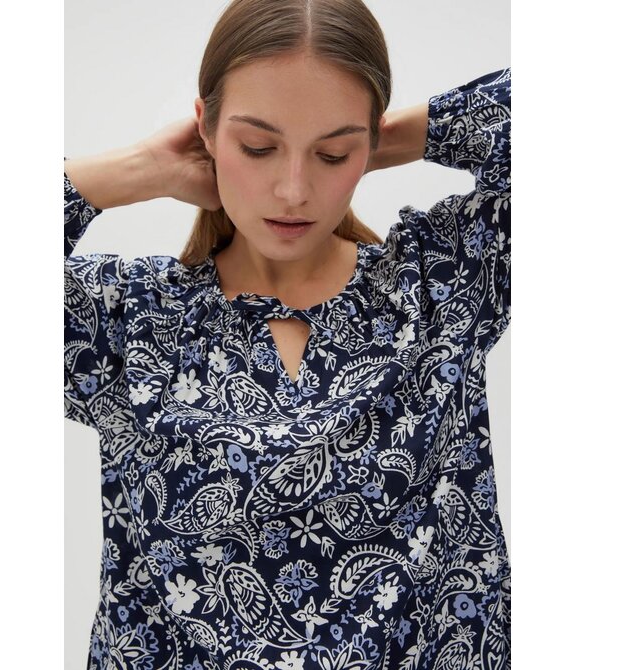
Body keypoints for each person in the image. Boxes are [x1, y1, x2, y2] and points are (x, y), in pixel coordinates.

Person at [64, 0, 511, 667]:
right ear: (206, 128)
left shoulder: (439, 287)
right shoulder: (130, 320)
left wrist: (391, 139)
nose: (294, 189)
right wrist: (142, 167)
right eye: (258, 147)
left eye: (331, 153)